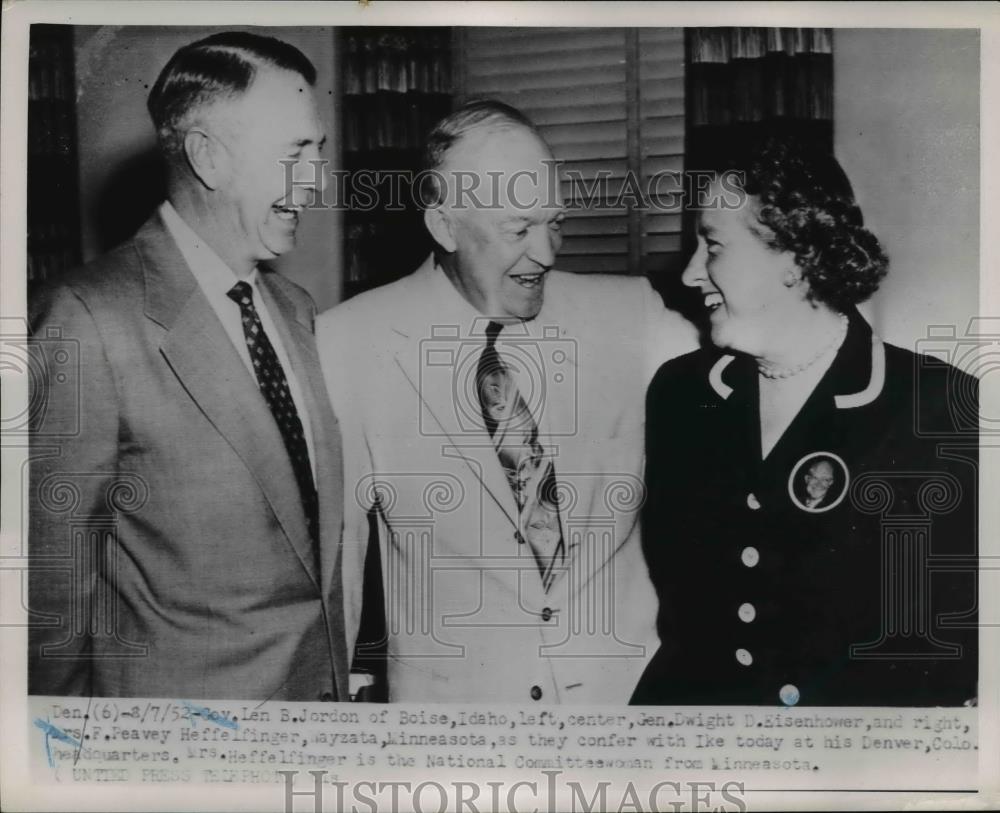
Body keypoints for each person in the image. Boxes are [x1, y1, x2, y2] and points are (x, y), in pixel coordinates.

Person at [317, 100, 697, 703]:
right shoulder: (349, 342)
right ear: (444, 226)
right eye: (518, 229)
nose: (546, 253)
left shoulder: (635, 317)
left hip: (625, 705)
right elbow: (337, 563)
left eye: (555, 222)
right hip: (457, 722)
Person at [28, 32, 351, 701]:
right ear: (207, 156)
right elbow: (48, 600)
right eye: (295, 152)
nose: (316, 180)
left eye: (318, 152)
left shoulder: (295, 309)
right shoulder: (87, 318)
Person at [632, 138, 978, 707]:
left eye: (712, 246)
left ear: (794, 258)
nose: (691, 274)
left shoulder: (937, 410)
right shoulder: (681, 395)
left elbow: (951, 657)